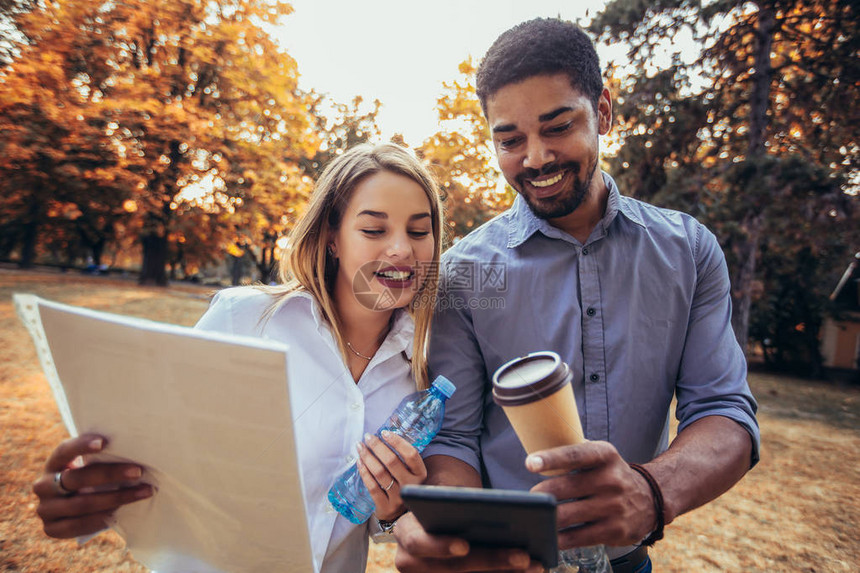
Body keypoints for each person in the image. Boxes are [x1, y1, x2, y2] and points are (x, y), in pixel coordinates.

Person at [393, 18, 761, 573]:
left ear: (604, 113)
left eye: (558, 126)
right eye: (510, 139)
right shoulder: (463, 275)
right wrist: (459, 528)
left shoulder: (688, 251)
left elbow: (724, 411)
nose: (535, 158)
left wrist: (651, 491)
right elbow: (457, 437)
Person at [30, 142, 445, 573]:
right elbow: (162, 453)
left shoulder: (421, 368)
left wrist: (397, 508)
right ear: (331, 239)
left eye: (419, 231)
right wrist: (77, 497)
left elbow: (374, 524)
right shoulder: (245, 318)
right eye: (374, 230)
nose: (402, 249)